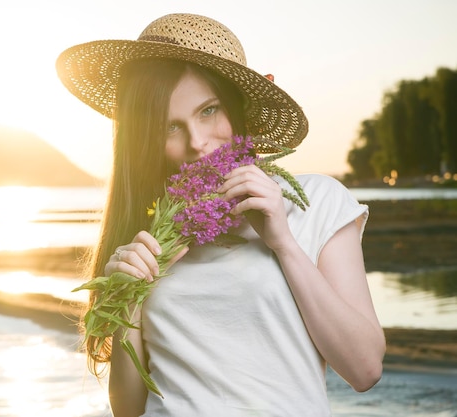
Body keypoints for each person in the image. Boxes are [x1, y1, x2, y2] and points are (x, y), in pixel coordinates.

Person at [56, 13, 385, 416]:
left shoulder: (314, 201)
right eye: (169, 127)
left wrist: (283, 242)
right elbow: (127, 409)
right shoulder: (149, 233)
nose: (196, 142)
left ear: (239, 108)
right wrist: (129, 302)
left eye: (208, 110)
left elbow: (365, 369)